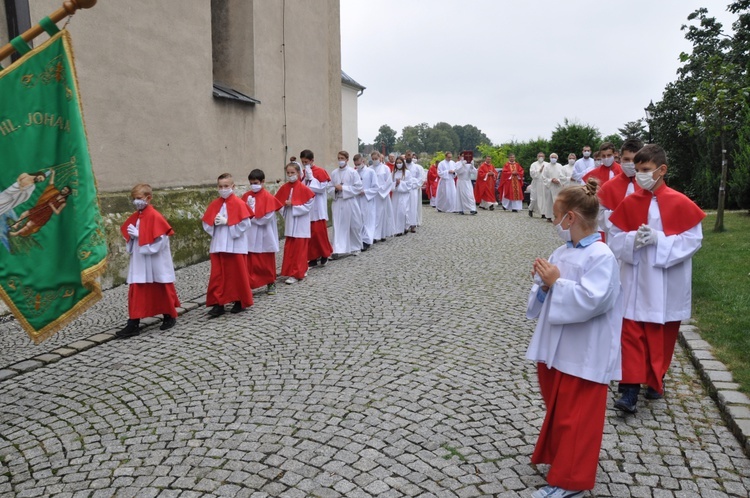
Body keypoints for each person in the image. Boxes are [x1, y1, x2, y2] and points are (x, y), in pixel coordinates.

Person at [526, 179, 623, 498]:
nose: (554, 222)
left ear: (571, 218)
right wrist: (543, 285)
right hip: (558, 348)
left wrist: (557, 283)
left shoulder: (601, 255)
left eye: (556, 216)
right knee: (561, 410)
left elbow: (594, 301)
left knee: (577, 417)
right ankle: (560, 461)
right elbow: (545, 298)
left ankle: (572, 483)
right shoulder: (562, 250)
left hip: (585, 353)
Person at [608, 144, 705, 414]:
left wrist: (659, 240)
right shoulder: (629, 202)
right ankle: (628, 389)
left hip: (664, 279)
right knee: (631, 332)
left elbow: (693, 240)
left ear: (662, 170)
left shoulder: (680, 201)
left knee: (659, 334)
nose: (639, 175)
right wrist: (631, 240)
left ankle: (655, 378)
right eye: (637, 170)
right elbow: (614, 238)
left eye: (646, 170)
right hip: (635, 278)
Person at [117, 183, 180, 338]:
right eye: (133, 199)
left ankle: (168, 315)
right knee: (137, 288)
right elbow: (129, 238)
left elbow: (161, 240)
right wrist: (132, 237)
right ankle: (133, 323)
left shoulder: (155, 216)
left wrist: (141, 235)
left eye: (138, 198)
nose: (135, 202)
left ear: (148, 198)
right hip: (139, 259)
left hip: (155, 260)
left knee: (160, 286)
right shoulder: (135, 217)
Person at [201, 173, 253, 316]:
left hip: (235, 244)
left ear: (233, 187)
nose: (223, 189)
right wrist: (213, 224)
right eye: (220, 186)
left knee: (236, 275)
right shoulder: (215, 204)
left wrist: (228, 222)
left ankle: (239, 301)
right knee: (218, 276)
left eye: (226, 186)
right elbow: (206, 224)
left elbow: (246, 223)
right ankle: (219, 303)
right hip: (218, 244)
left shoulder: (239, 203)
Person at [242, 168, 284, 295]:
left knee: (265, 260)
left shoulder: (268, 197)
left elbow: (267, 218)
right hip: (250, 232)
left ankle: (270, 282)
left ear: (262, 182)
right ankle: (250, 284)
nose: (253, 185)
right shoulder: (246, 196)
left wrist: (252, 218)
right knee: (251, 261)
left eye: (256, 182)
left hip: (264, 232)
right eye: (251, 183)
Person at [596, 138, 643, 242]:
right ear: (620, 158)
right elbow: (599, 214)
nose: (631, 163)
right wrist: (621, 219)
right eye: (626, 159)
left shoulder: (649, 184)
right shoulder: (608, 186)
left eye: (634, 160)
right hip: (616, 240)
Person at [275, 163, 315, 284]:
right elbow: (278, 202)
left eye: (292, 173)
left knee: (299, 249)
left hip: (301, 222)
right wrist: (285, 209)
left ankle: (297, 273)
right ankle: (290, 270)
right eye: (288, 173)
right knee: (290, 248)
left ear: (298, 173)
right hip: (290, 221)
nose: (290, 175)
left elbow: (309, 205)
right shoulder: (284, 187)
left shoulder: (304, 189)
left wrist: (294, 204)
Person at [300, 149, 333, 268]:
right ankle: (312, 257)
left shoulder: (320, 171)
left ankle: (324, 254)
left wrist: (311, 178)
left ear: (312, 160)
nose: (305, 164)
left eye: (307, 161)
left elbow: (321, 188)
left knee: (319, 232)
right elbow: (302, 188)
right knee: (310, 234)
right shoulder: (303, 173)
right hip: (307, 206)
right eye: (303, 162)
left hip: (318, 206)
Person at [329, 150, 364, 257]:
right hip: (338, 201)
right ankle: (338, 249)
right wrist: (335, 190)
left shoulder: (353, 172)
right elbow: (329, 187)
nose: (340, 160)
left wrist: (343, 188)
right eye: (339, 158)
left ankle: (355, 247)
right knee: (338, 226)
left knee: (354, 224)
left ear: (347, 160)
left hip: (350, 201)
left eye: (342, 158)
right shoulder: (334, 173)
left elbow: (358, 187)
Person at [371, 151, 395, 242]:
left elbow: (388, 181)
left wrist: (381, 190)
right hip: (373, 195)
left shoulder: (385, 168)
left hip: (382, 195)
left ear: (380, 158)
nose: (374, 160)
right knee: (375, 215)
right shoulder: (370, 169)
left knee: (383, 214)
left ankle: (383, 233)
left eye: (376, 159)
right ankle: (374, 235)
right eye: (373, 159)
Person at [355, 154, 377, 251]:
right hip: (357, 200)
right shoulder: (354, 172)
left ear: (363, 161)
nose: (358, 166)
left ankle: (367, 241)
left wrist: (366, 192)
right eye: (356, 164)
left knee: (367, 221)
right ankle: (359, 239)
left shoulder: (370, 172)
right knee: (359, 220)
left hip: (367, 199)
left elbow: (376, 187)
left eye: (359, 163)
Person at [391, 156, 413, 235]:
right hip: (396, 195)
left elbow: (409, 185)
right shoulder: (393, 173)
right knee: (396, 211)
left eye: (400, 163)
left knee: (403, 211)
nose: (398, 164)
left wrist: (401, 183)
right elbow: (390, 184)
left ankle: (405, 226)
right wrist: (395, 184)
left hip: (404, 195)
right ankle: (397, 230)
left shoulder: (407, 173)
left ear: (403, 163)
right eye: (397, 163)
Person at [405, 151, 424, 232]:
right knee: (405, 207)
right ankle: (405, 224)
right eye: (407, 156)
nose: (408, 157)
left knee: (413, 206)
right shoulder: (403, 166)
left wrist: (414, 184)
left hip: (413, 189)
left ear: (412, 156)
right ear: (405, 156)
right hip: (404, 189)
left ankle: (413, 224)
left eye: (410, 156)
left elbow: (421, 178)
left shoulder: (417, 167)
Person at [541, 153, 564, 221]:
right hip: (549, 186)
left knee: (557, 201)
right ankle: (548, 216)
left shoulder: (560, 166)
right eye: (552, 157)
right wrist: (551, 180)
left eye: (555, 157)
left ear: (557, 158)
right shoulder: (546, 166)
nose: (553, 159)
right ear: (550, 158)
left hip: (557, 187)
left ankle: (558, 216)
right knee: (549, 202)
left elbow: (563, 176)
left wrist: (559, 180)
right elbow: (543, 177)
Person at [528, 152, 549, 219]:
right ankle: (530, 209)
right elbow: (532, 174)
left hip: (544, 184)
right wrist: (539, 170)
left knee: (544, 199)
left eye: (542, 156)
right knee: (534, 199)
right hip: (536, 183)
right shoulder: (533, 164)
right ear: (537, 157)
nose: (541, 158)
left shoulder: (547, 164)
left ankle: (543, 213)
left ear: (544, 157)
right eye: (539, 156)